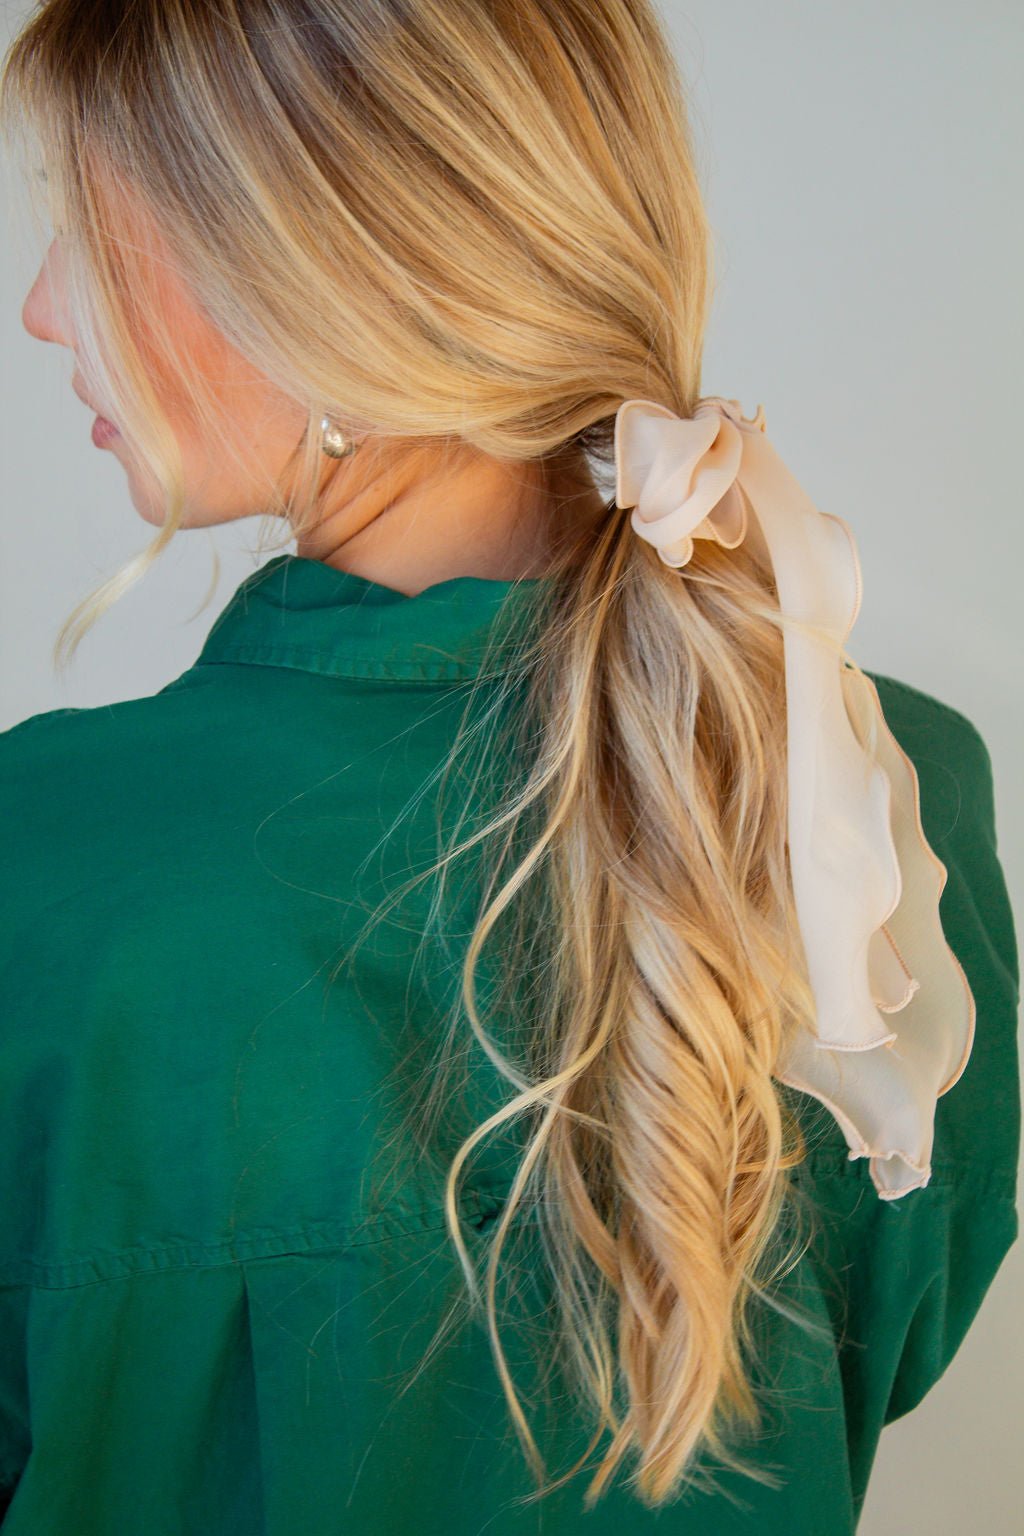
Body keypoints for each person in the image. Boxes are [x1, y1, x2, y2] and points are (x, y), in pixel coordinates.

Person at [0, 3, 1018, 1533]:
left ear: (330, 275)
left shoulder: (44, 866)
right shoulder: (884, 802)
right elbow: (894, 1336)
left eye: (91, 230)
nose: (41, 310)